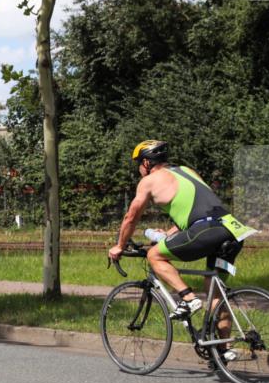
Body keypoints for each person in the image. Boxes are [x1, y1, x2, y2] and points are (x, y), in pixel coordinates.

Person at [108, 140, 257, 362]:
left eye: (138, 163)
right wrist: (169, 234)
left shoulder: (148, 181)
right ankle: (223, 349)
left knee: (154, 255)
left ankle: (188, 298)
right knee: (216, 293)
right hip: (232, 230)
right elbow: (196, 210)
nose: (138, 168)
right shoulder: (187, 171)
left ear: (146, 163)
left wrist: (119, 246)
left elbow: (131, 217)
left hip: (207, 230)